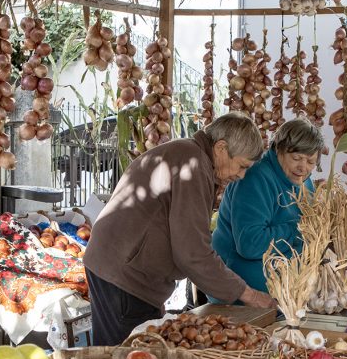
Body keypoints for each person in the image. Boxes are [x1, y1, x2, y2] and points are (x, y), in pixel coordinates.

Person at [83, 113, 275, 345]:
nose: (241, 175)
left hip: (123, 270)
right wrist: (249, 295)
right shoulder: (192, 164)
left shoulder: (190, 155)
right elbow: (193, 253)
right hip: (125, 276)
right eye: (242, 166)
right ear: (222, 148)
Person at [210, 119, 322, 297]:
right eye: (296, 158)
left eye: (310, 161)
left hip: (289, 294)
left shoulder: (304, 181)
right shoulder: (254, 179)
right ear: (278, 149)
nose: (303, 168)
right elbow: (250, 244)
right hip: (245, 297)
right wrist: (298, 228)